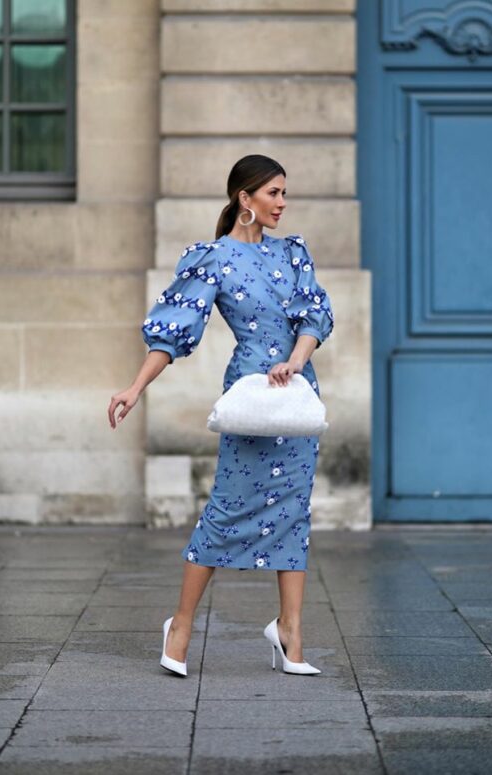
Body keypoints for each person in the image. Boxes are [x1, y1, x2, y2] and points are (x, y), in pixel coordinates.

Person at [108, 154, 334, 676]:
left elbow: (314, 315)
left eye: (284, 192)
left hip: (296, 395)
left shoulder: (293, 253)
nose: (282, 203)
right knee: (228, 507)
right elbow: (174, 330)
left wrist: (295, 362)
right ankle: (181, 625)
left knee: (293, 509)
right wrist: (135, 387)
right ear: (244, 198)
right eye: (273, 192)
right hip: (250, 397)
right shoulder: (212, 258)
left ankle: (290, 632)